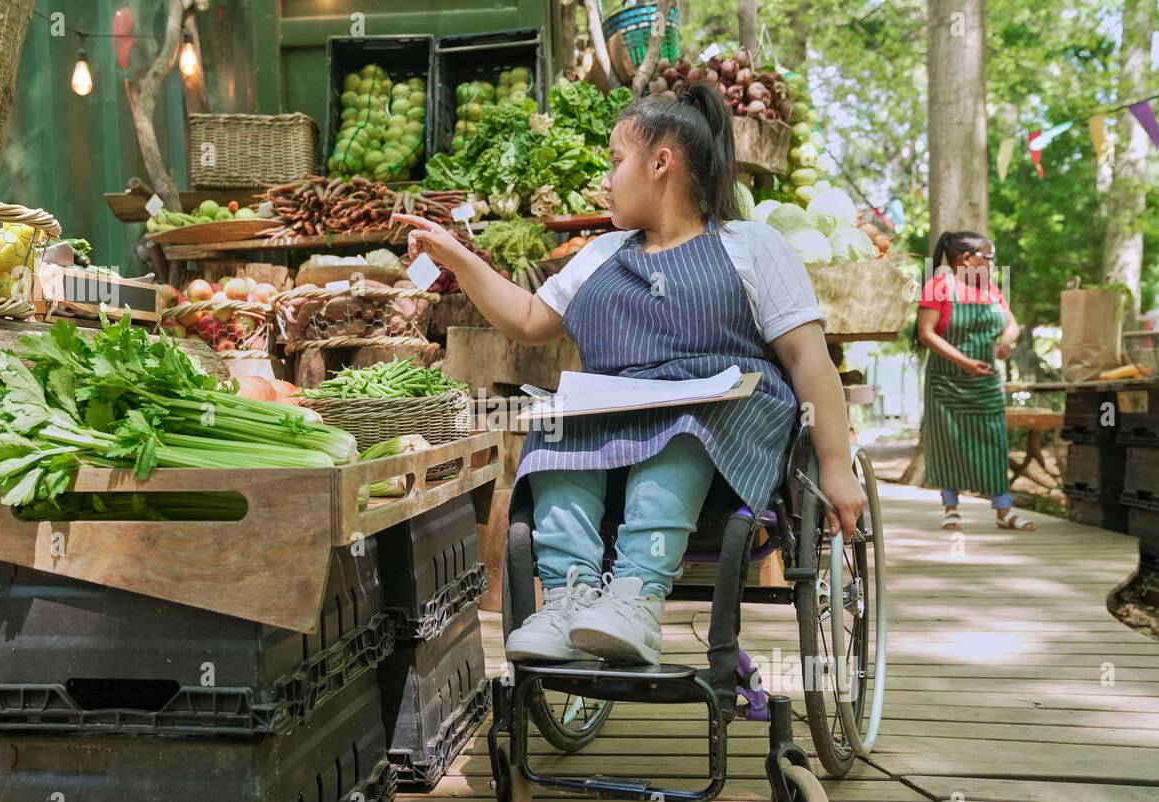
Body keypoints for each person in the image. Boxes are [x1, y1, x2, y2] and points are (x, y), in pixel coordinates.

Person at [393, 84, 864, 666]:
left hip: (722, 427)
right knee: (562, 422)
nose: (606, 179)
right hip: (618, 423)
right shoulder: (599, 255)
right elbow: (529, 319)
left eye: (616, 161)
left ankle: (637, 597)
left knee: (680, 419)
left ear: (661, 162)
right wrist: (459, 257)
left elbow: (806, 358)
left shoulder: (752, 246)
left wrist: (836, 466)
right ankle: (567, 597)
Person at [916, 230, 1031, 531]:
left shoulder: (991, 290)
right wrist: (964, 363)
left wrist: (1005, 342)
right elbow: (926, 334)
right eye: (988, 257)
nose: (992, 263)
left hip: (987, 383)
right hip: (947, 383)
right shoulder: (939, 287)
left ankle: (1004, 510)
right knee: (947, 443)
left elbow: (1013, 326)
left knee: (995, 441)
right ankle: (951, 508)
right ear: (964, 258)